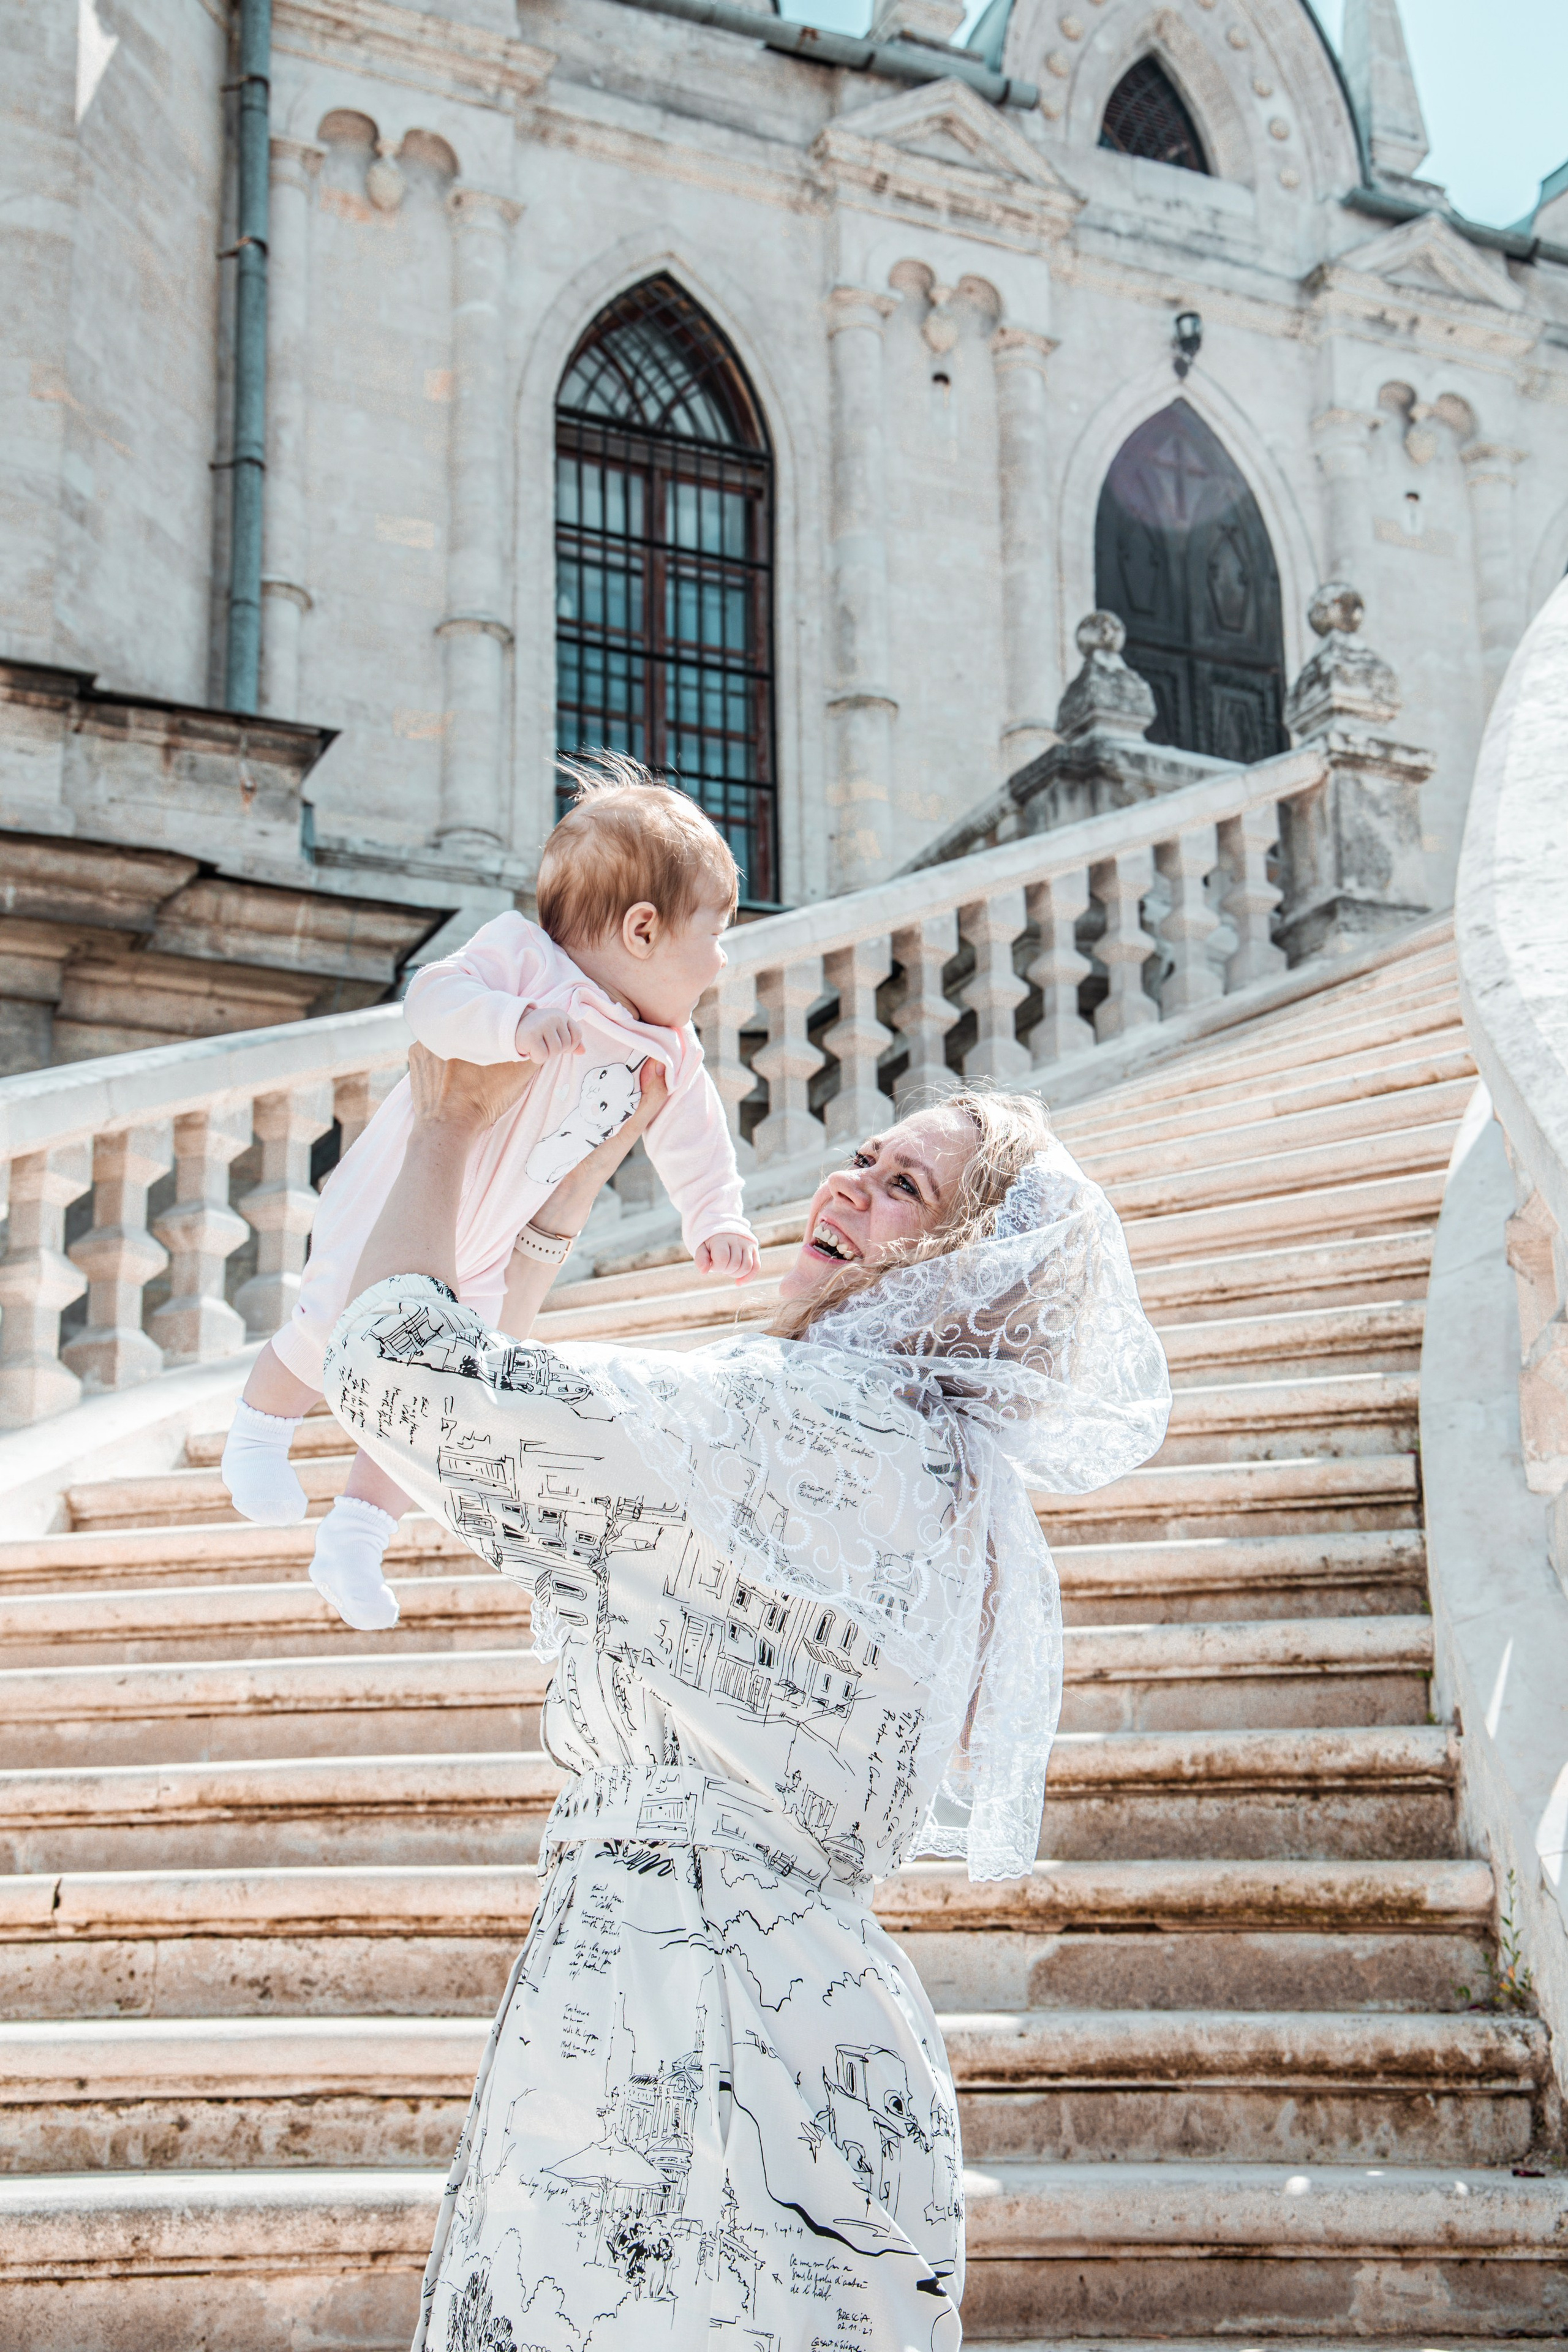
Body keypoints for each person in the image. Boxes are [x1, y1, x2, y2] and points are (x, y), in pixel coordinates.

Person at [322, 1039, 1170, 2352]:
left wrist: (445, 1128)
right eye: (864, 1156)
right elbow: (508, 1423)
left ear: (961, 1269)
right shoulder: (962, 1495)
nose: (848, 1184)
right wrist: (560, 1197)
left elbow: (399, 1369)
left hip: (665, 2012)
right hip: (829, 2030)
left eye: (904, 1188)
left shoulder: (783, 1416)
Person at [219, 765, 760, 1632]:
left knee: (436, 1387)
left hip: (490, 1242)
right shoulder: (524, 959)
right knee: (327, 1325)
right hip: (398, 1196)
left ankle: (357, 1534)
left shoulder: (667, 1044)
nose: (723, 958)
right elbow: (433, 999)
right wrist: (512, 1025)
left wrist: (717, 1215)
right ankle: (257, 1435)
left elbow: (694, 1133)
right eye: (716, 932)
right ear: (643, 929)